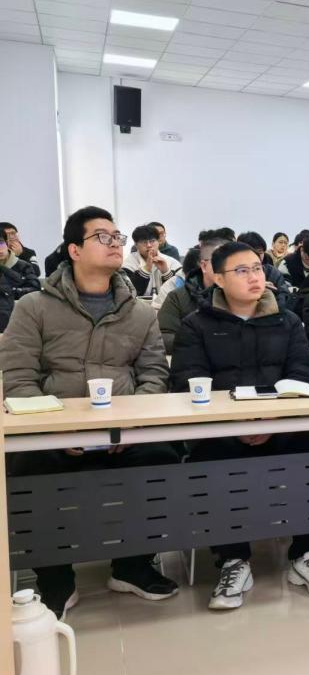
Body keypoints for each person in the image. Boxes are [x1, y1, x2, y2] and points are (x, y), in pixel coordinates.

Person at [1, 207, 178, 617]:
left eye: (117, 236)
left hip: (123, 434)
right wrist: (59, 431)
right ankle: (54, 578)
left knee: (162, 459)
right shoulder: (34, 306)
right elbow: (18, 378)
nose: (115, 243)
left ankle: (133, 566)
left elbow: (154, 374)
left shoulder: (138, 312)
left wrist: (128, 427)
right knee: (27, 469)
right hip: (53, 434)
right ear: (74, 250)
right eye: (103, 236)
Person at [170, 241, 309, 609]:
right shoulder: (197, 324)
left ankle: (306, 553)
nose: (254, 277)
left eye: (258, 268)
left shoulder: (287, 321)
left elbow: (301, 374)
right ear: (217, 278)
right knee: (211, 464)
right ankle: (233, 560)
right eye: (242, 270)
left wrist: (272, 420)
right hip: (221, 429)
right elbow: (187, 381)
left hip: (280, 425)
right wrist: (235, 423)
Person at [158, 230, 230, 353]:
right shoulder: (178, 297)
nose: (227, 267)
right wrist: (205, 343)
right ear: (204, 266)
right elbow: (163, 337)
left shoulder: (245, 295)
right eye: (219, 261)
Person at [236, 230, 293, 309]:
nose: (257, 256)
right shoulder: (233, 271)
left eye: (260, 252)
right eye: (253, 252)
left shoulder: (272, 272)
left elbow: (284, 294)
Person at [122, 224, 181, 298]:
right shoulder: (128, 264)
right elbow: (129, 294)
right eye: (144, 242)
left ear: (158, 242)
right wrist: (146, 269)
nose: (149, 245)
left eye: (152, 241)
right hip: (138, 304)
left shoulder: (172, 263)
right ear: (136, 245)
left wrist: (166, 272)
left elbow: (179, 293)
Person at [0, 234, 41, 331]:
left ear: (7, 243)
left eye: (1, 244)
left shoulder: (23, 266)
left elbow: (35, 289)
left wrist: (11, 292)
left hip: (21, 319)